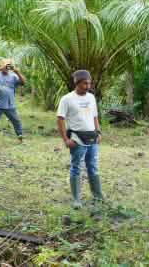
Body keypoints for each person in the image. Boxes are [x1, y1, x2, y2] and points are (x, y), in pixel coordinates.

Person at [56, 70, 103, 208]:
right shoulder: (67, 99)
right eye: (84, 83)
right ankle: (76, 200)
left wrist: (98, 132)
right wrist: (66, 139)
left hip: (92, 137)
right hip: (77, 138)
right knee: (76, 167)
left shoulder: (91, 98)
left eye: (89, 83)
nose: (88, 86)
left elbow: (95, 116)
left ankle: (98, 196)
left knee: (93, 166)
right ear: (76, 83)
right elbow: (60, 120)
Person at [0, 59, 26, 143]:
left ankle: (20, 136)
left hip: (10, 105)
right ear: (1, 65)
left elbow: (23, 82)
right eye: (5, 65)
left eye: (9, 65)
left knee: (16, 121)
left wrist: (17, 72)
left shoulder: (13, 76)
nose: (7, 67)